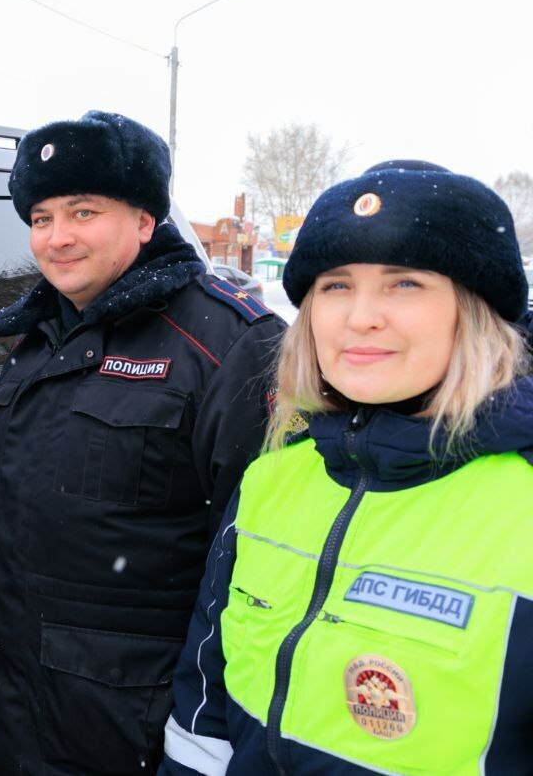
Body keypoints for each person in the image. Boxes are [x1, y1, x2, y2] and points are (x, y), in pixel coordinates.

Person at [162, 161, 533, 774]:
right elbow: (206, 705)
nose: (361, 316)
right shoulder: (273, 478)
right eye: (336, 286)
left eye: (404, 283)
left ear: (473, 312)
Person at [0, 111, 286, 774]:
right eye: (40, 219)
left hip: (137, 721)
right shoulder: (33, 342)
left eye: (83, 211)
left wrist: (211, 728)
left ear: (145, 221)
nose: (57, 237)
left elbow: (265, 561)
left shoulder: (228, 344)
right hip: (19, 705)